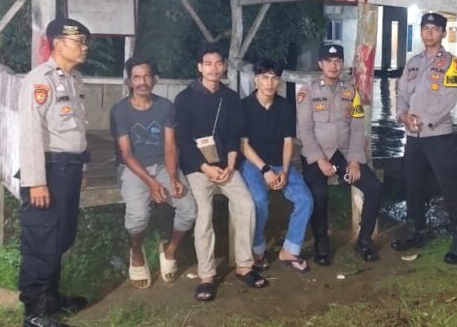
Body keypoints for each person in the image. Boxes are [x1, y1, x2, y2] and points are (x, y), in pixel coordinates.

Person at [174, 43, 266, 302]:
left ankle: (245, 265)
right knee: (203, 213)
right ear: (199, 67)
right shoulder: (184, 99)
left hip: (226, 166)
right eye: (208, 64)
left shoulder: (231, 97)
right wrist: (205, 167)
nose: (213, 69)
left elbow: (235, 134)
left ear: (224, 66)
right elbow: (183, 141)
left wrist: (231, 163)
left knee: (246, 205)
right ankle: (206, 275)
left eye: (218, 63)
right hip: (197, 168)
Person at [16, 18, 92, 327]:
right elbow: (30, 132)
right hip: (47, 171)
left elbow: (77, 132)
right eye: (78, 42)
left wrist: (81, 167)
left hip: (68, 170)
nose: (84, 48)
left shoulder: (74, 80)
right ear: (58, 44)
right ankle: (34, 312)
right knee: (41, 240)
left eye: (85, 42)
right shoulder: (39, 80)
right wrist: (36, 181)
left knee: (61, 236)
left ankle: (51, 298)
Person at [391, 12, 457, 265]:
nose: (429, 33)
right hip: (412, 136)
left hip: (438, 136)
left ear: (443, 33)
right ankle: (415, 232)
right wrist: (402, 116)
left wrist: (422, 121)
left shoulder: (452, 63)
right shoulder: (413, 62)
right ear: (421, 32)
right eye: (425, 28)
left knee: (450, 188)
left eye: (435, 29)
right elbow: (401, 93)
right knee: (413, 185)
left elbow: (449, 99)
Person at [110, 56, 197, 289]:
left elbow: (170, 147)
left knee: (189, 209)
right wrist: (151, 183)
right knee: (138, 215)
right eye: (136, 77)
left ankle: (169, 250)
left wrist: (172, 177)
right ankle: (136, 251)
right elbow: (126, 154)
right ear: (129, 81)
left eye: (147, 76)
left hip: (162, 166)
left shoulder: (165, 107)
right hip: (132, 169)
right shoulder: (120, 110)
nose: (142, 82)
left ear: (155, 79)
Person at [297, 44, 382, 266]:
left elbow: (357, 127)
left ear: (342, 64)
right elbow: (304, 130)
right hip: (317, 155)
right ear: (320, 64)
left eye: (337, 61)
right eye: (328, 61)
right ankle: (322, 243)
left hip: (344, 154)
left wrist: (354, 160)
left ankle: (364, 240)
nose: (333, 65)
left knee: (373, 187)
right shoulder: (307, 91)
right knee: (319, 193)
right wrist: (320, 160)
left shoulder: (351, 92)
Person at [240, 59, 314, 272]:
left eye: (274, 78)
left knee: (305, 199)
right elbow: (243, 145)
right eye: (264, 77)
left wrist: (286, 170)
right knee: (258, 200)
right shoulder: (244, 106)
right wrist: (265, 170)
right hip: (254, 164)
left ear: (279, 81)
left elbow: (288, 142)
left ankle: (290, 249)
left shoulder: (285, 106)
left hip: (281, 164)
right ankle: (258, 248)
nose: (269, 83)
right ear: (256, 80)